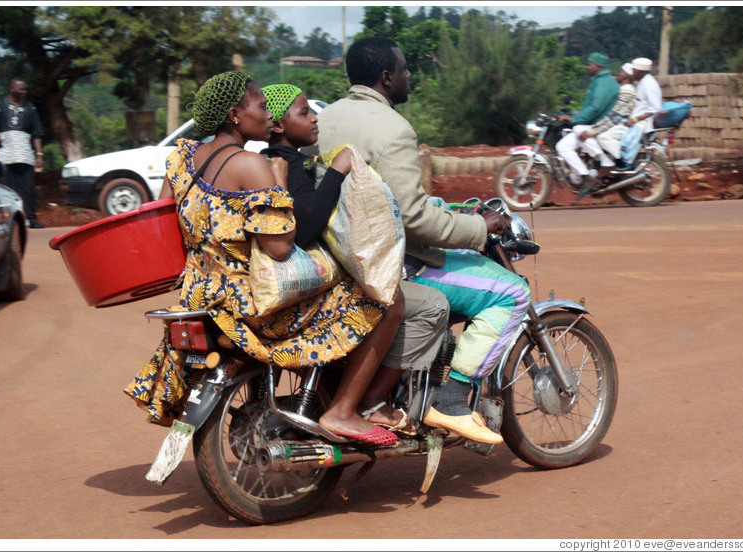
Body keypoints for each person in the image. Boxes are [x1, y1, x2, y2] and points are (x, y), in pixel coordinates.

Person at [124, 71, 405, 448]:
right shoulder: (252, 166)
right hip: (249, 300)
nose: (269, 117)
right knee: (386, 300)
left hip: (199, 295)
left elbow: (163, 224)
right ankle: (344, 410)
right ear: (235, 115)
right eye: (260, 107)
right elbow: (280, 248)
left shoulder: (180, 160)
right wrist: (276, 182)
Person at [316, 37, 533, 445]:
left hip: (338, 255)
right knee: (512, 292)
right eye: (405, 69)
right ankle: (451, 400)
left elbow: (384, 198)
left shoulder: (325, 118)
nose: (409, 76)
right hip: (394, 263)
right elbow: (415, 222)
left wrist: (442, 208)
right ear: (386, 77)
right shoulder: (394, 128)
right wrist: (480, 229)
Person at [260, 83, 448, 434]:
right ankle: (368, 403)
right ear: (279, 125)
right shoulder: (288, 164)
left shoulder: (272, 161)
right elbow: (306, 226)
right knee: (414, 304)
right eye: (304, 112)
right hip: (311, 277)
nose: (315, 118)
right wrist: (337, 171)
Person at [555, 52, 620, 199]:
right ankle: (586, 176)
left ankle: (605, 161)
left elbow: (596, 108)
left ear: (598, 66)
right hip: (592, 123)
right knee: (562, 147)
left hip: (601, 125)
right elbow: (590, 107)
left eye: (589, 64)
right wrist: (575, 115)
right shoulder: (598, 81)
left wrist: (574, 119)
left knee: (577, 129)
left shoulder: (604, 83)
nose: (587, 67)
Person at [0, 77, 46, 228]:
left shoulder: (30, 108)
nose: (24, 92)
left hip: (25, 155)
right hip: (5, 155)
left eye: (25, 89)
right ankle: (10, 222)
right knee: (7, 190)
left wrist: (39, 154)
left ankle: (31, 219)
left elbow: (37, 133)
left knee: (28, 189)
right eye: (21, 89)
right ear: (12, 89)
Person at [577, 62, 638, 176]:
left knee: (602, 137)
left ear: (627, 76)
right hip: (618, 123)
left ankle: (621, 162)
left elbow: (614, 117)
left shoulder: (627, 91)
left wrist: (592, 131)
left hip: (621, 125)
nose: (618, 74)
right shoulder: (623, 89)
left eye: (621, 72)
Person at [626, 57, 663, 131]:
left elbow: (655, 108)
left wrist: (635, 119)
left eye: (634, 71)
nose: (632, 73)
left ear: (642, 72)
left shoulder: (649, 83)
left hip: (642, 124)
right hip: (636, 122)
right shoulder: (643, 81)